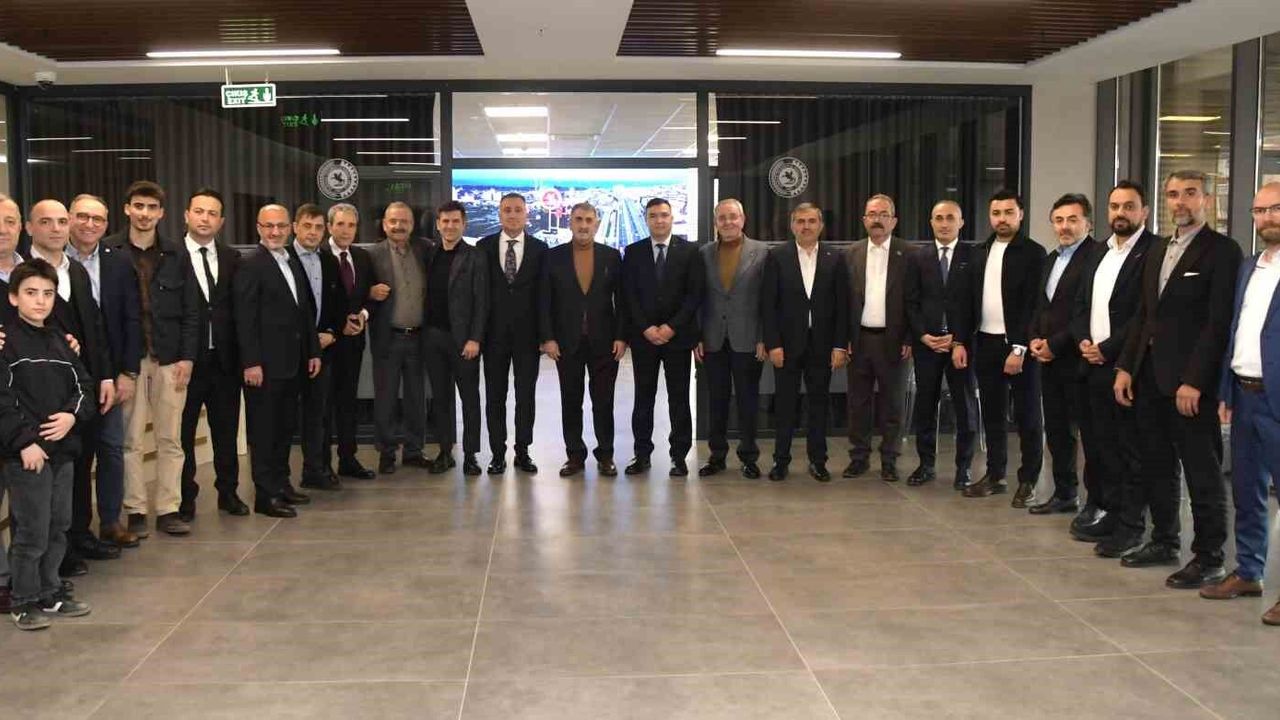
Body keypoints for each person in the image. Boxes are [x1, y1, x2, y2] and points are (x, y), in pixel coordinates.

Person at [1114, 170, 1242, 588]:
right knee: (1157, 464)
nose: (1180, 202)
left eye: (1190, 193)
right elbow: (1143, 316)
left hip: (1189, 386)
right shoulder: (1157, 250)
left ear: (1206, 199)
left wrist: (1195, 381)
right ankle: (1164, 540)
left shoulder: (1222, 251)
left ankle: (1210, 557)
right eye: (1173, 194)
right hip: (1150, 377)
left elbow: (1217, 324)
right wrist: (1126, 367)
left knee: (1202, 472)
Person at [1, 259, 96, 630]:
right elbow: (3, 401)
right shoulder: (5, 343)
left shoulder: (62, 342)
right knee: (32, 531)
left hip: (62, 453)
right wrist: (24, 442)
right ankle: (23, 599)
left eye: (47, 293)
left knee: (58, 525)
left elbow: (84, 387)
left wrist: (72, 416)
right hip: (28, 455)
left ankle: (49, 590)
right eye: (30, 293)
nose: (40, 301)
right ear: (13, 298)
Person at [105, 181, 200, 537]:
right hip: (129, 362)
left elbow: (192, 311)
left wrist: (188, 358)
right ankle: (135, 510)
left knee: (170, 439)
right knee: (130, 440)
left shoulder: (177, 254)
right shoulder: (110, 251)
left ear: (161, 213)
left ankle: (168, 509)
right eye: (139, 206)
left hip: (169, 359)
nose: (145, 214)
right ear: (127, 208)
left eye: (152, 208)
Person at [24, 199, 114, 577]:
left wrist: (104, 377)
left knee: (81, 462)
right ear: (30, 228)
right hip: (38, 391)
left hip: (80, 387)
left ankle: (79, 535)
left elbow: (95, 328)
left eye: (62, 221)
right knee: (48, 475)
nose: (56, 229)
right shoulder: (22, 274)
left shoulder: (75, 271)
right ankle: (51, 557)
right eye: (46, 222)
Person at [1204, 181, 1280, 624]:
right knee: (1247, 492)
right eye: (1259, 210)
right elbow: (1236, 330)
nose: (1266, 218)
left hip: (1277, 397)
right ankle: (1249, 572)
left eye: (1275, 209)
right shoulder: (1251, 266)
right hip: (1245, 393)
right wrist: (1226, 390)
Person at [1068, 181, 1155, 554]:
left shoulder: (1152, 252)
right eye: (1115, 206)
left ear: (1144, 211)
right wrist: (1083, 342)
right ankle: (1112, 513)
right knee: (1102, 447)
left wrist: (1107, 349)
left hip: (1125, 366)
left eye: (1129, 206)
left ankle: (1132, 525)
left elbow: (1142, 315)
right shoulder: (1098, 252)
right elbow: (1080, 304)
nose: (1121, 213)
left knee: (1130, 450)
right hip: (1091, 364)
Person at [65, 194, 142, 555]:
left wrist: (128, 371)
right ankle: (74, 531)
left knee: (111, 448)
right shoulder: (53, 262)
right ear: (70, 219)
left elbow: (132, 319)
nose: (89, 224)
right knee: (77, 455)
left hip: (109, 373)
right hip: (66, 375)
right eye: (82, 216)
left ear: (107, 224)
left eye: (97, 219)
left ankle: (110, 522)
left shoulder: (119, 261)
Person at [233, 204, 321, 518]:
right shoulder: (250, 264)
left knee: (284, 429)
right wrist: (251, 362)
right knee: (264, 432)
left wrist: (313, 351)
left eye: (281, 226)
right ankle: (265, 495)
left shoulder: (290, 260)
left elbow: (304, 312)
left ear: (290, 228)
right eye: (269, 226)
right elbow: (244, 318)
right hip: (264, 367)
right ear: (258, 228)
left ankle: (282, 485)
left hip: (292, 363)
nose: (275, 232)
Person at [961, 190, 1046, 506]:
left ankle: (1028, 480)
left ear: (1020, 215)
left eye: (1009, 212)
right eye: (996, 213)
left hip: (1020, 348)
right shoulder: (980, 251)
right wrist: (961, 340)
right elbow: (968, 301)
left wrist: (1020, 348)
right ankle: (995, 475)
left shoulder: (1034, 253)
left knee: (1027, 417)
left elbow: (1034, 305)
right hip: (985, 342)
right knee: (993, 415)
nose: (1002, 219)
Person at [761, 203, 850, 482]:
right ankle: (781, 461)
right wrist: (773, 344)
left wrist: (840, 345)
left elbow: (843, 306)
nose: (806, 226)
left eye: (812, 221)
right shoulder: (777, 256)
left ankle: (818, 461)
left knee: (819, 405)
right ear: (792, 226)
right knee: (785, 405)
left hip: (822, 345)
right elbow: (768, 304)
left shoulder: (835, 257)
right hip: (786, 346)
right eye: (800, 221)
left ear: (821, 225)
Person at [539, 202, 627, 477]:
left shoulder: (611, 256)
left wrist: (621, 336)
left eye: (589, 220)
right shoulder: (553, 257)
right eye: (578, 219)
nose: (584, 225)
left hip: (604, 342)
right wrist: (548, 338)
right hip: (566, 343)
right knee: (570, 401)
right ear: (570, 222)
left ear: (596, 224)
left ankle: (606, 455)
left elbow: (622, 301)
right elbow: (544, 302)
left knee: (604, 402)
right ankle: (575, 456)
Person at [1027, 194, 1100, 515]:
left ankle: (1096, 503)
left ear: (1088, 223)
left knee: (1090, 436)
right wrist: (1034, 338)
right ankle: (1065, 493)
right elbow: (1040, 306)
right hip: (1049, 360)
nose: (1065, 226)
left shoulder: (1097, 257)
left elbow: (1085, 313)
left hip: (1081, 359)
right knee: (1057, 431)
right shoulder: (1050, 259)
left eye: (1072, 219)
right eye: (1058, 220)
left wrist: (1054, 345)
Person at [176, 189, 246, 520]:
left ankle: (228, 492)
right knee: (183, 434)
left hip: (225, 361)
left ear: (221, 221)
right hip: (185, 362)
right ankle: (185, 497)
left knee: (226, 431)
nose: (205, 218)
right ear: (186, 215)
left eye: (212, 213)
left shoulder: (233, 258)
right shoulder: (171, 256)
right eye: (199, 211)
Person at [621, 197, 704, 477]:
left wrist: (671, 327)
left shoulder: (690, 251)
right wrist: (646, 328)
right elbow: (628, 295)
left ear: (672, 218)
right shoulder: (633, 252)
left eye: (664, 215)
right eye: (653, 215)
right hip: (644, 339)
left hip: (677, 339)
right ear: (646, 219)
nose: (659, 220)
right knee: (643, 398)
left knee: (678, 399)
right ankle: (642, 454)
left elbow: (694, 296)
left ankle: (678, 456)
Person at [904, 200, 979, 489]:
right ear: (931, 222)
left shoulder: (974, 256)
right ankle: (925, 465)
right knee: (926, 405)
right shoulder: (918, 257)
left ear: (961, 222)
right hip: (928, 345)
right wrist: (922, 336)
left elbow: (977, 303)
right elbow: (910, 302)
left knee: (964, 407)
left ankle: (964, 468)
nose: (944, 223)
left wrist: (960, 338)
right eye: (939, 218)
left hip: (961, 346)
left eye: (950, 218)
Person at [695, 198, 767, 479]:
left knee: (748, 400)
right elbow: (697, 298)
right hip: (713, 339)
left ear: (743, 219)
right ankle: (717, 456)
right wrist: (698, 335)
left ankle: (749, 457)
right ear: (716, 222)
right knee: (717, 401)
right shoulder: (704, 253)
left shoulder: (761, 252)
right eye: (722, 218)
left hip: (748, 339)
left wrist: (763, 337)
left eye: (732, 216)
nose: (728, 222)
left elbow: (768, 299)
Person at [476, 193, 546, 475]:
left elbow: (544, 296)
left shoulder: (540, 249)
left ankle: (523, 451)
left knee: (525, 396)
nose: (513, 215)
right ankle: (497, 453)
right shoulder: (483, 247)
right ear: (500, 214)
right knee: (495, 397)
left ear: (526, 214)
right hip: (493, 337)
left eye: (518, 210)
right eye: (507, 210)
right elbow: (479, 293)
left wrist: (545, 336)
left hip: (528, 338)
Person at [844, 194, 911, 482]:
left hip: (894, 341)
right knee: (858, 403)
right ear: (864, 220)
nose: (877, 219)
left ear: (893, 221)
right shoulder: (851, 254)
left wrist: (909, 338)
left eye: (884, 214)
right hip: (859, 340)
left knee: (892, 404)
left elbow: (915, 301)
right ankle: (858, 458)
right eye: (872, 214)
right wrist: (843, 338)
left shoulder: (909, 254)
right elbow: (842, 302)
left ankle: (889, 460)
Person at [421, 200, 487, 476]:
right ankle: (445, 452)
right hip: (433, 337)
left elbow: (482, 302)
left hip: (463, 342)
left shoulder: (475, 256)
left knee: (469, 399)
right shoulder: (429, 254)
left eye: (455, 221)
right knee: (441, 399)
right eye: (445, 221)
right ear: (438, 225)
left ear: (464, 224)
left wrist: (475, 339)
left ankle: (470, 455)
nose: (450, 226)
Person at [366, 202, 432, 474]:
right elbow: (358, 289)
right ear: (384, 224)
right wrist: (369, 292)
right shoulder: (372, 255)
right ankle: (387, 453)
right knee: (386, 399)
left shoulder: (425, 250)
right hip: (388, 338)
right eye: (393, 221)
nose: (398, 226)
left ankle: (414, 451)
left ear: (412, 225)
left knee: (417, 398)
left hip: (418, 337)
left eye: (404, 221)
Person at [288, 203, 345, 491]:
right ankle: (283, 479)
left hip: (324, 350)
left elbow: (338, 304)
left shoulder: (329, 261)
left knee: (319, 413)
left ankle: (318, 468)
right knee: (287, 417)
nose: (313, 232)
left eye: (318, 227)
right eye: (307, 226)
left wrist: (332, 333)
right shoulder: (283, 259)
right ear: (295, 227)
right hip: (290, 351)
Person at [324, 203, 376, 480]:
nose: (346, 231)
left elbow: (370, 295)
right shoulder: (318, 255)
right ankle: (321, 465)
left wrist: (363, 315)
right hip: (325, 344)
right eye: (340, 224)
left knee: (347, 403)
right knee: (322, 406)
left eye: (351, 225)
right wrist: (338, 324)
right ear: (329, 226)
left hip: (354, 343)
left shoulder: (362, 257)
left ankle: (348, 458)